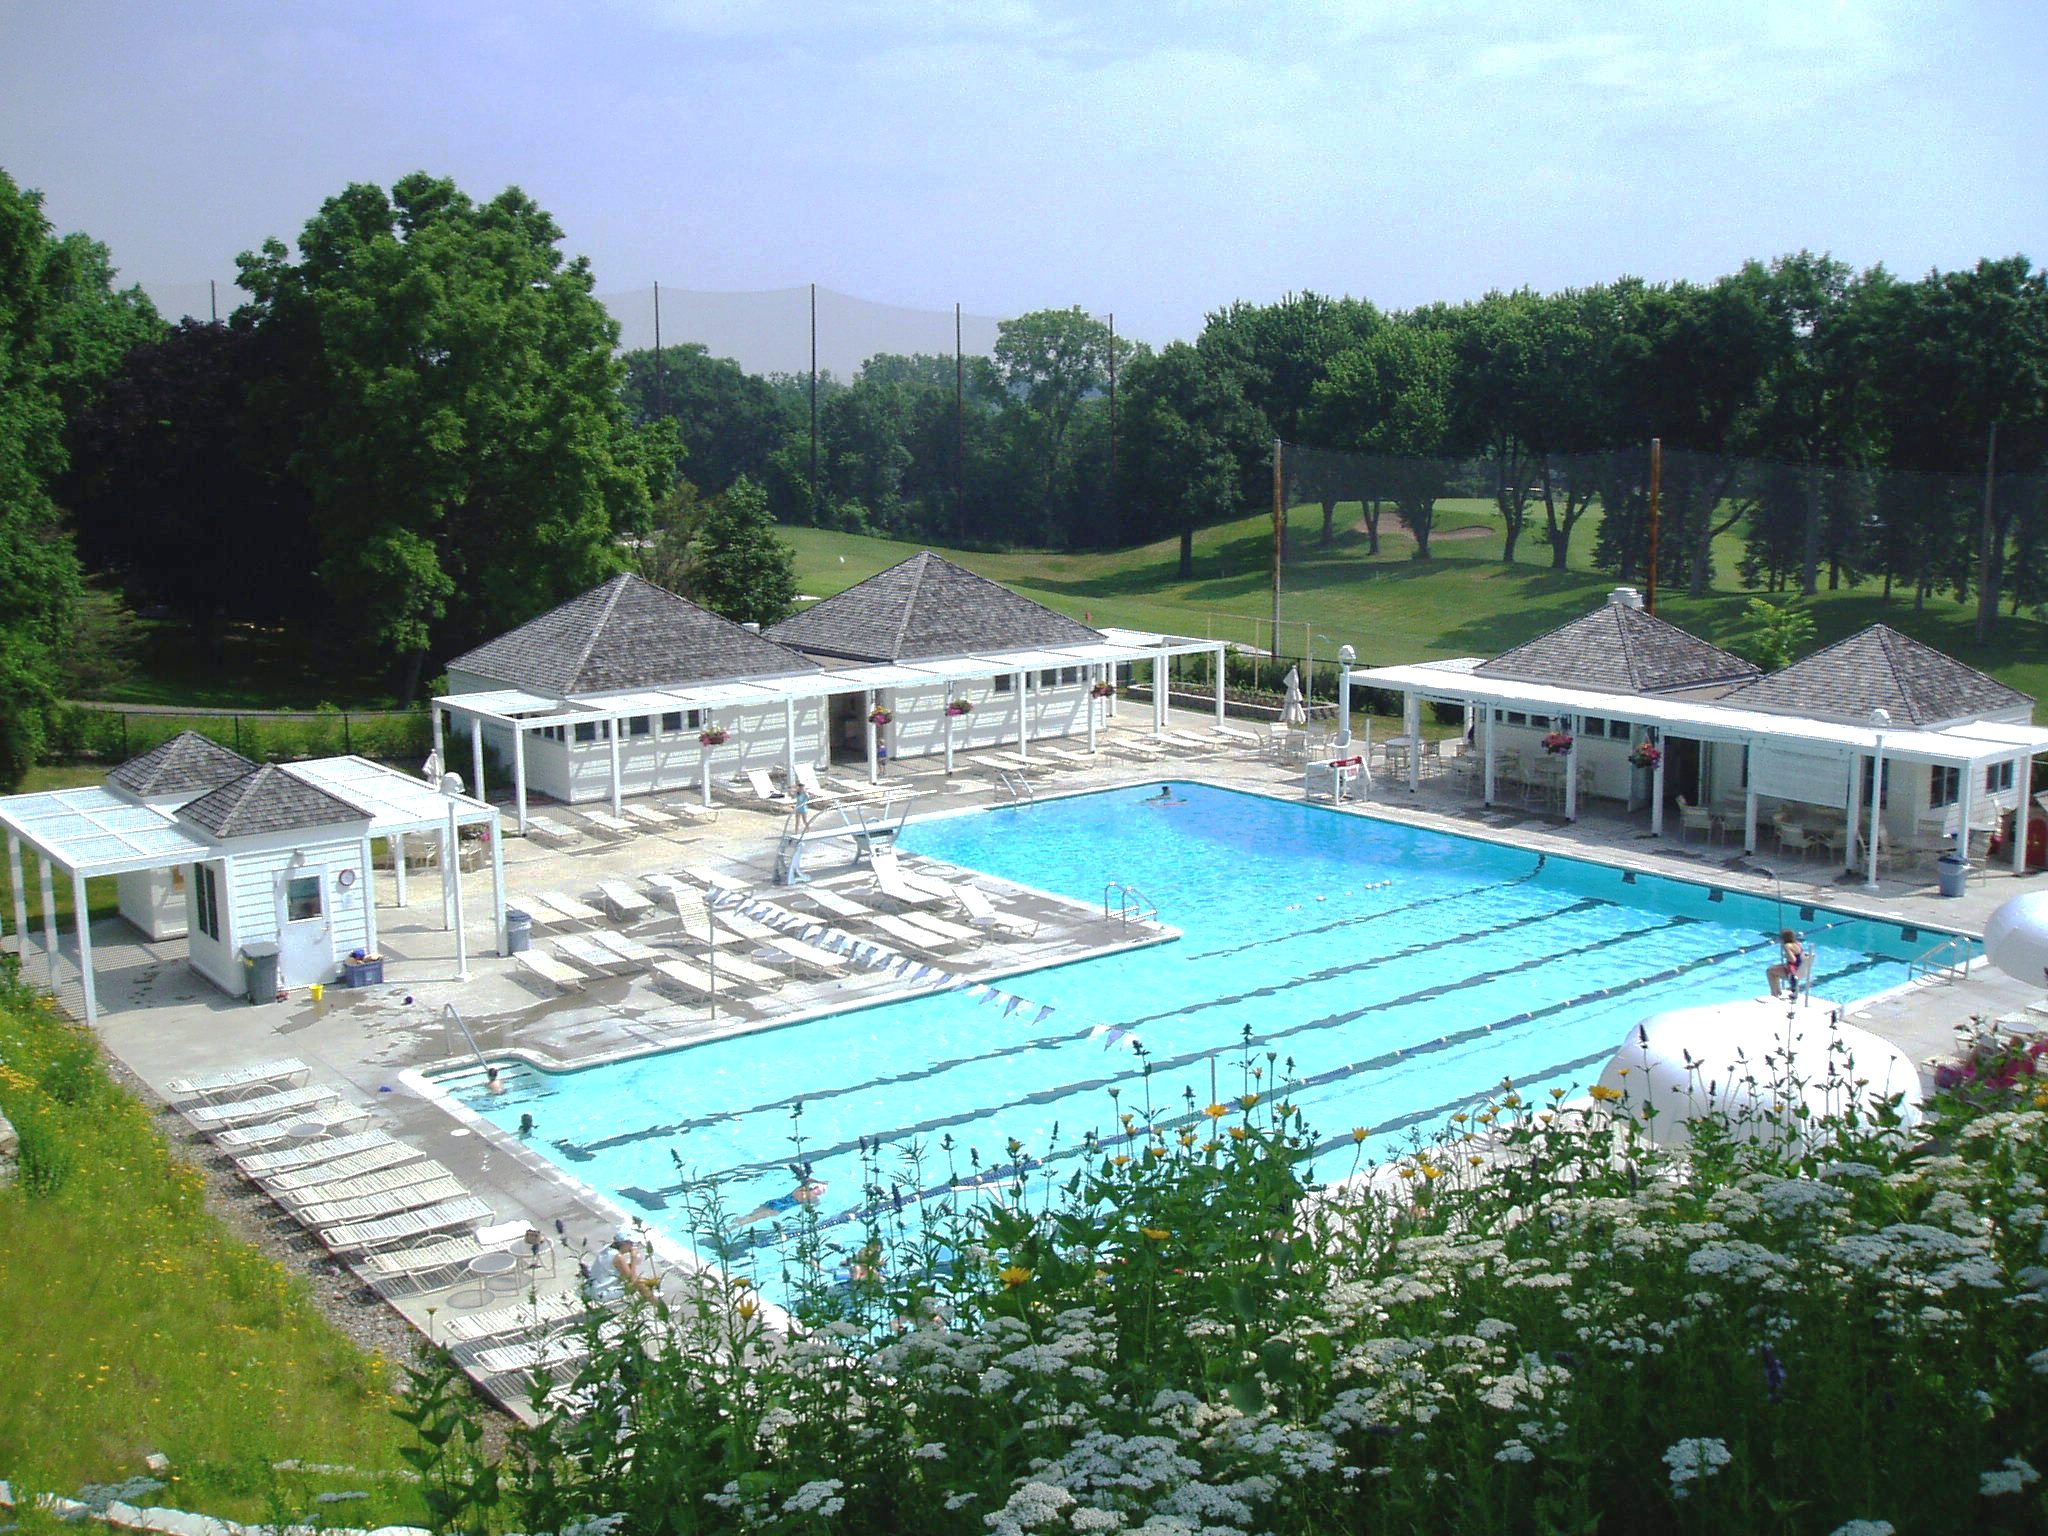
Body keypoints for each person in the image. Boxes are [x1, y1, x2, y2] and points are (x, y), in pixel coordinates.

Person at [585, 1225, 657, 1303]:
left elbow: (619, 1268)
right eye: (631, 1244)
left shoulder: (607, 1249)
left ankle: (651, 1295)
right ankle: (657, 1304)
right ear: (624, 1243)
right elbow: (633, 1280)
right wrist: (633, 1258)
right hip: (601, 1293)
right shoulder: (618, 1257)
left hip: (592, 1287)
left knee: (641, 1281)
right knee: (638, 1284)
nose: (631, 1247)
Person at [731, 1174, 828, 1229]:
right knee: (754, 1218)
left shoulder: (801, 1188)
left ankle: (735, 1222)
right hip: (779, 1208)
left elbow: (807, 1179)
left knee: (751, 1215)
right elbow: (813, 1209)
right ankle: (731, 1228)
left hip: (774, 1202)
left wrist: (819, 1181)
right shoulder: (813, 1198)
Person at [1767, 929, 1806, 998]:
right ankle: (1778, 992)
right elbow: (1801, 957)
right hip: (1800, 970)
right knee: (1772, 968)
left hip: (1792, 972)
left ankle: (1774, 994)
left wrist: (1786, 956)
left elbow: (1793, 959)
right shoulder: (1797, 944)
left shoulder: (1787, 946)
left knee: (1769, 971)